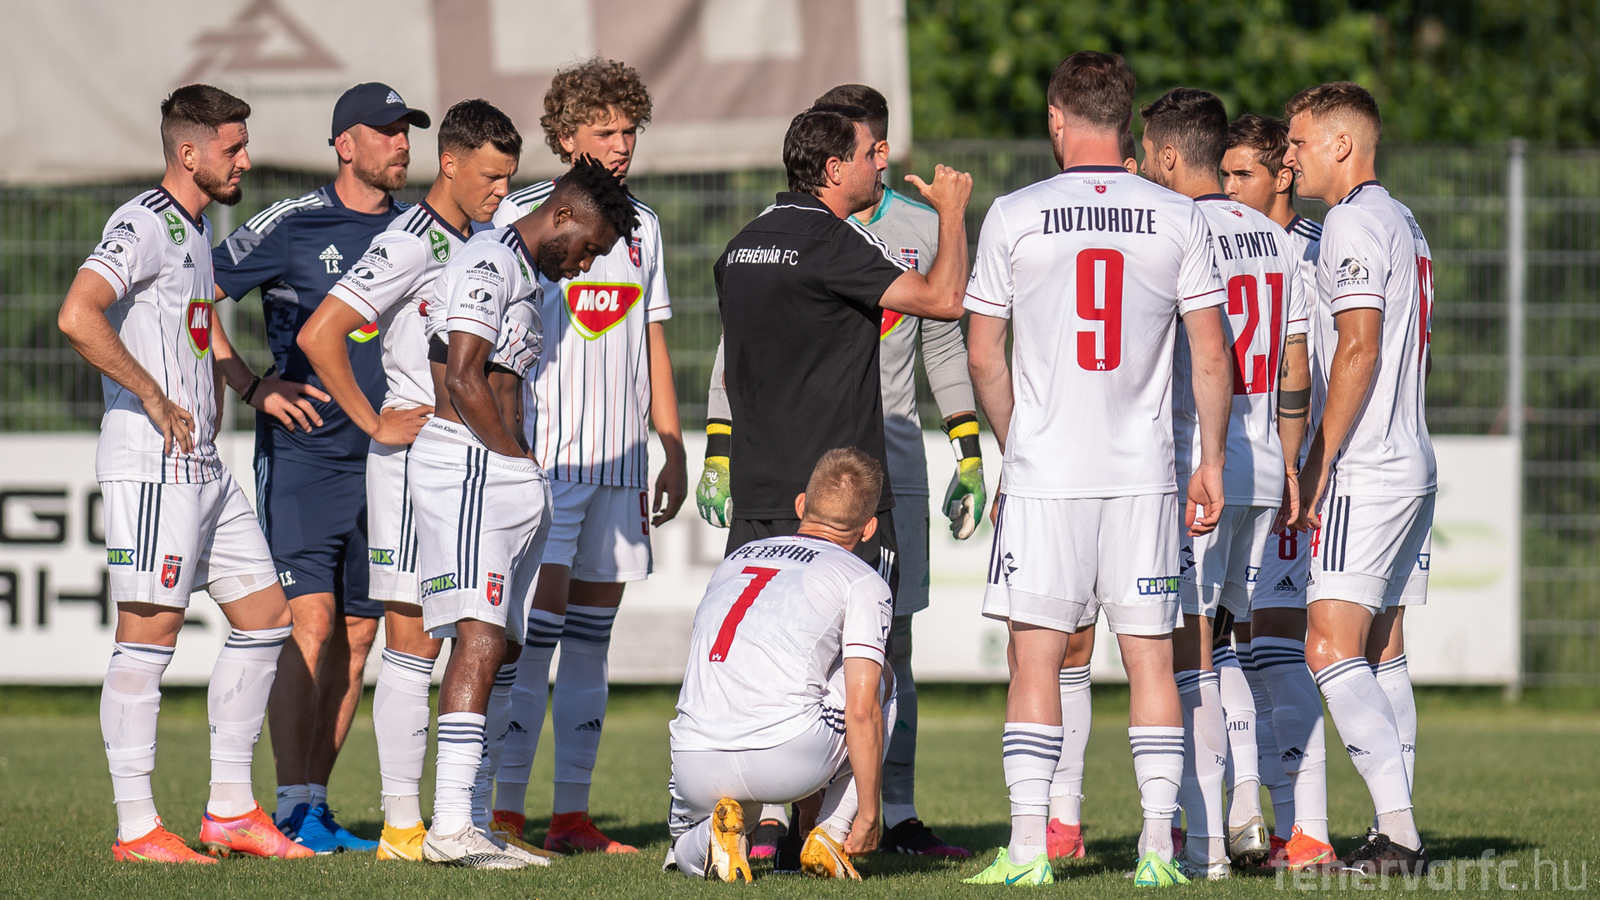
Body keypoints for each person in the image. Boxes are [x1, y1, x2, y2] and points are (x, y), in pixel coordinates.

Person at [963, 51, 1232, 888]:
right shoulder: (1178, 215)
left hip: (1047, 474)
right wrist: (1211, 460)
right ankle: (1158, 849)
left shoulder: (1014, 213)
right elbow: (1211, 352)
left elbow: (982, 355)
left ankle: (1029, 850)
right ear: (1126, 122)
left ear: (1057, 118)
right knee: (1151, 658)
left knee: (1037, 657)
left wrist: (1015, 443)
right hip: (1144, 473)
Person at [697, 83, 981, 861]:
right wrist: (954, 213)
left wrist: (721, 450)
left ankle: (756, 825)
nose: (877, 167)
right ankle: (842, 826)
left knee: (766, 656)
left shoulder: (741, 246)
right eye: (865, 156)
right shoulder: (833, 241)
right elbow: (945, 301)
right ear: (832, 169)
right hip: (838, 499)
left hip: (762, 491)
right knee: (864, 664)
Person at [60, 84, 312, 864]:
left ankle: (230, 812)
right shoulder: (141, 222)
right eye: (233, 148)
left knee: (267, 618)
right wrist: (148, 391)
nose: (246, 160)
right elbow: (78, 313)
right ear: (189, 152)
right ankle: (137, 830)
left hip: (203, 464)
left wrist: (248, 385)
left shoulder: (196, 229)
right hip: (152, 464)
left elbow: (200, 328)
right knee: (149, 635)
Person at [296, 99, 526, 861]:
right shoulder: (408, 241)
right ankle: (402, 824)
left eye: (509, 178)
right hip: (410, 459)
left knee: (470, 632)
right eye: (490, 176)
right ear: (450, 164)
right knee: (411, 639)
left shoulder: (484, 242)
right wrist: (373, 421)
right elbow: (320, 333)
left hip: (466, 464)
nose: (501, 191)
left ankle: (458, 817)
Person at [211, 81, 430, 851]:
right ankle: (287, 802)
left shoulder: (418, 228)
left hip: (389, 465)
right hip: (305, 458)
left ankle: (313, 805)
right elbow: (192, 295)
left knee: (361, 635)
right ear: (344, 144)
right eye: (386, 130)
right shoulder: (293, 223)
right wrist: (251, 386)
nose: (401, 144)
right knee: (311, 624)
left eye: (407, 131)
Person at [485, 57, 686, 855]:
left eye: (630, 130)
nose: (621, 143)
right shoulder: (527, 216)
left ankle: (570, 815)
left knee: (594, 645)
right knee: (532, 641)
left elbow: (653, 339)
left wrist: (671, 445)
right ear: (566, 137)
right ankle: (504, 811)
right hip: (550, 465)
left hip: (622, 467)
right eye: (604, 130)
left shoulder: (645, 225)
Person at [413, 157, 635, 868]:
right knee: (480, 638)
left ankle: (475, 822)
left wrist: (520, 464)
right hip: (470, 465)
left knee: (505, 647)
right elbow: (462, 375)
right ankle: (450, 826)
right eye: (588, 247)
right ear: (562, 215)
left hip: (503, 470)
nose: (586, 264)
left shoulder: (527, 276)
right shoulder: (489, 258)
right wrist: (514, 461)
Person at [1139, 87, 1310, 879]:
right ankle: (1245, 806)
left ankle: (1209, 840)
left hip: (1199, 463)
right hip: (1263, 464)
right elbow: (1293, 367)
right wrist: (1292, 464)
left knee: (1189, 651)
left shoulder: (1177, 227)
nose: (1146, 166)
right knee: (1230, 645)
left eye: (1149, 153)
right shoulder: (1277, 238)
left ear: (1172, 155)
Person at [1286, 81, 1434, 876]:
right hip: (1411, 460)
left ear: (1342, 144)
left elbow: (1358, 346)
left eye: (1300, 141)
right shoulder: (1403, 218)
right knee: (1382, 654)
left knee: (1326, 646)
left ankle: (1399, 833)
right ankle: (1393, 830)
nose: (1290, 156)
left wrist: (1318, 459)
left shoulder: (1349, 220)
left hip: (1367, 468)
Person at [668, 448, 896, 882]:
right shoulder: (862, 578)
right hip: (785, 759)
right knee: (883, 679)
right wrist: (868, 813)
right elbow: (862, 710)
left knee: (685, 845)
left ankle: (710, 837)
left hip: (693, 757)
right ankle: (830, 834)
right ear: (869, 528)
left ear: (800, 505)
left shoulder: (737, 557)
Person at [1221, 112, 1335, 870]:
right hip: (1252, 470)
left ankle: (1307, 829)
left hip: (1292, 472)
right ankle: (1254, 819)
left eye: (1244, 174)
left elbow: (1322, 364)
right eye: (1225, 173)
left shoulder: (1315, 252)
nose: (1230, 187)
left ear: (1282, 176)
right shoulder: (1231, 241)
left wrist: (1307, 465)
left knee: (1274, 644)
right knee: (1236, 648)